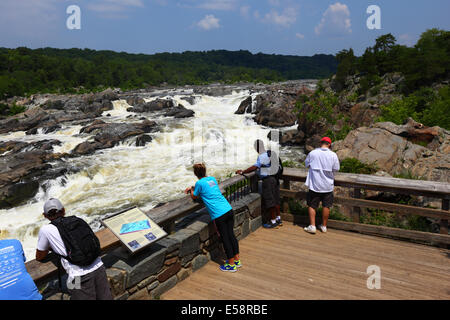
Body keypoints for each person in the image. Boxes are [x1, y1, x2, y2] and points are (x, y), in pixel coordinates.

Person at [35, 198, 113, 300]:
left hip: (77, 276)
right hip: (99, 267)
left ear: (45, 215)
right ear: (63, 210)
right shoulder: (77, 220)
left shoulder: (46, 230)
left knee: (75, 291)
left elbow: (39, 256)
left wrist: (53, 247)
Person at [185, 163, 241, 273]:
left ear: (195, 173)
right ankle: (237, 260)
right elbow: (207, 189)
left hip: (218, 214)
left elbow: (194, 196)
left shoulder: (199, 183)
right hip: (228, 209)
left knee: (225, 238)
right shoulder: (212, 179)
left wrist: (191, 190)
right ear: (205, 171)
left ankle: (231, 264)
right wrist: (194, 187)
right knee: (231, 235)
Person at [236, 139, 281, 229]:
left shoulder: (262, 156)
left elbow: (255, 167)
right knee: (275, 199)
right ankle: (278, 218)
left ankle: (273, 221)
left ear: (257, 148)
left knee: (270, 200)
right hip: (274, 179)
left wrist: (243, 172)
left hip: (268, 180)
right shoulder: (269, 153)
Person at [303, 137, 340, 234]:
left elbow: (306, 164)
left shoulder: (313, 153)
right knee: (326, 206)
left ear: (320, 143)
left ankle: (312, 226)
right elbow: (336, 168)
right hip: (327, 185)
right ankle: (324, 226)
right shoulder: (333, 155)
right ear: (329, 145)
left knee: (312, 205)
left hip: (315, 184)